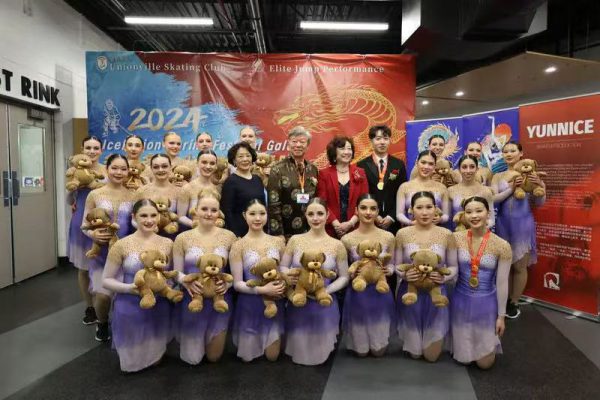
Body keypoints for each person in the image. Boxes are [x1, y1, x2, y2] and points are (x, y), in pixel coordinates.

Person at [102, 199, 174, 372]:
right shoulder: (122, 245)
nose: (149, 220)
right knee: (131, 365)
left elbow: (171, 273)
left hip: (158, 303)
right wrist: (129, 288)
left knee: (155, 362)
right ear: (134, 217)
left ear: (159, 216)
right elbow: (106, 279)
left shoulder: (168, 243)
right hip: (130, 302)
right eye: (144, 216)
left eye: (153, 215)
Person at [279, 197, 349, 365]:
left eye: (320, 213)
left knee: (321, 355)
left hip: (324, 303)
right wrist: (288, 275)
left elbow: (344, 276)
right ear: (305, 216)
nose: (315, 218)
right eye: (311, 214)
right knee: (300, 352)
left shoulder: (337, 245)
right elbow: (282, 266)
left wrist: (325, 291)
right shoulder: (295, 240)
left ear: (327, 215)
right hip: (299, 301)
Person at [173, 189, 237, 364]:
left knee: (214, 357)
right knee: (192, 359)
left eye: (213, 210)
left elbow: (235, 272)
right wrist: (185, 283)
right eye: (204, 209)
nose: (209, 214)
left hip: (220, 297)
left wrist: (228, 285)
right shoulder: (182, 238)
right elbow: (177, 272)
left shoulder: (229, 237)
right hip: (193, 297)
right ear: (196, 210)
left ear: (219, 213)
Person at [395, 191, 457, 361]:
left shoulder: (446, 234)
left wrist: (444, 278)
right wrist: (405, 275)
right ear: (411, 210)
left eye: (429, 207)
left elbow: (453, 266)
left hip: (436, 294)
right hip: (410, 292)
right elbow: (397, 265)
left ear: (436, 209)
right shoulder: (402, 234)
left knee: (431, 356)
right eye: (419, 207)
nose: (424, 212)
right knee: (415, 354)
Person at [451, 196, 511, 369]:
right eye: (469, 212)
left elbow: (502, 283)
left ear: (488, 213)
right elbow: (451, 270)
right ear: (464, 215)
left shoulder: (502, 245)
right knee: (463, 358)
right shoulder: (456, 238)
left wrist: (501, 316)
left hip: (486, 302)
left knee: (485, 364)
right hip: (461, 299)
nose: (474, 216)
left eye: (479, 211)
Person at [81, 154, 134, 342]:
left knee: (123, 294)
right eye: (115, 168)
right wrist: (93, 234)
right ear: (107, 169)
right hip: (101, 252)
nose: (119, 172)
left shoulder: (133, 194)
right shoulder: (95, 194)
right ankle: (102, 322)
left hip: (126, 253)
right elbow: (84, 224)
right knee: (103, 296)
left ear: (128, 171)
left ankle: (121, 325)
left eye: (123, 169)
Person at [492, 141, 545, 319]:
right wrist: (512, 188)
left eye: (512, 151)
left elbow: (539, 202)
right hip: (502, 224)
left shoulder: (531, 174)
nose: (508, 154)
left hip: (523, 225)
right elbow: (493, 200)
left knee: (520, 266)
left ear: (521, 153)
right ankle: (504, 299)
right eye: (505, 151)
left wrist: (541, 185)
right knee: (504, 266)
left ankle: (514, 302)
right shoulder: (497, 176)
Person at [230, 199, 286, 362]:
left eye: (262, 213)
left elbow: (283, 271)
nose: (257, 218)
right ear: (244, 215)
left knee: (272, 357)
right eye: (252, 214)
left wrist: (283, 283)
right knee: (248, 358)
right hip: (250, 301)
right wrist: (262, 290)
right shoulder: (238, 245)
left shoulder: (278, 242)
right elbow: (237, 283)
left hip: (274, 301)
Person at [340, 194, 396, 357]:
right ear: (356, 211)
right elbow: (344, 270)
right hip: (358, 293)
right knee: (361, 352)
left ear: (378, 212)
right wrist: (351, 272)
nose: (368, 212)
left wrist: (390, 270)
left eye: (373, 208)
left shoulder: (388, 237)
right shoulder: (346, 239)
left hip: (380, 291)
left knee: (378, 351)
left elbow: (393, 262)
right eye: (363, 208)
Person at [67, 136, 106, 325]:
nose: (92, 151)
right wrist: (73, 191)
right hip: (81, 221)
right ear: (82, 149)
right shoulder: (75, 171)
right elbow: (69, 200)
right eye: (88, 148)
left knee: (103, 266)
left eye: (95, 148)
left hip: (104, 223)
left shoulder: (107, 170)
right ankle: (90, 307)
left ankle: (103, 306)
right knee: (83, 268)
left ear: (101, 150)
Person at [267, 126, 319, 239]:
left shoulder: (313, 169)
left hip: (310, 229)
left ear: (307, 146)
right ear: (288, 144)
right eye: (294, 141)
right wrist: (278, 234)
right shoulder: (277, 169)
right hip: (286, 231)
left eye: (302, 142)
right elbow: (273, 204)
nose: (298, 145)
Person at [357, 125, 407, 234]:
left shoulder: (398, 164)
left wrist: (391, 216)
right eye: (378, 139)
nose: (382, 142)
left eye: (385, 138)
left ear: (390, 141)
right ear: (371, 141)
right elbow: (361, 194)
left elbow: (403, 193)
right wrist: (375, 215)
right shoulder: (361, 165)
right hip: (369, 219)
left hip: (393, 221)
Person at [316, 136, 368, 238]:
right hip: (330, 229)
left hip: (355, 228)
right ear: (334, 152)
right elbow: (322, 202)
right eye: (342, 148)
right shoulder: (324, 174)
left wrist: (350, 223)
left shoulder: (360, 172)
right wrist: (336, 224)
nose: (347, 152)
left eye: (349, 149)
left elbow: (364, 202)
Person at [221, 142, 265, 237]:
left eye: (248, 156)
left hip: (259, 230)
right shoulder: (230, 182)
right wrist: (235, 235)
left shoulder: (257, 179)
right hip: (240, 233)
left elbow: (263, 207)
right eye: (240, 156)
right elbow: (227, 212)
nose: (245, 159)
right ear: (234, 160)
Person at [396, 150, 450, 226]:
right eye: (423, 162)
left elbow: (446, 215)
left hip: (435, 229)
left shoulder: (442, 188)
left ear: (435, 166)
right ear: (417, 163)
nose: (426, 167)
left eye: (430, 164)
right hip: (411, 230)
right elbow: (399, 214)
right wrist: (410, 222)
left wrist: (440, 219)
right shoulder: (404, 187)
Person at [135, 154, 183, 239]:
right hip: (146, 237)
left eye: (164, 166)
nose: (160, 170)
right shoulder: (142, 191)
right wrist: (146, 228)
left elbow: (180, 219)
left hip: (171, 237)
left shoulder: (179, 192)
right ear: (151, 168)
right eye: (156, 167)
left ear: (170, 167)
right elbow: (134, 219)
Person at [448, 155, 494, 231]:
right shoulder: (450, 190)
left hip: (480, 234)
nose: (468, 171)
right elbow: (449, 219)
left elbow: (491, 219)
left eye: (472, 167)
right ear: (459, 169)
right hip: (457, 233)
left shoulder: (485, 191)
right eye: (464, 167)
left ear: (477, 169)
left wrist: (477, 230)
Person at [177, 150, 220, 229]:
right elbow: (181, 217)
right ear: (197, 163)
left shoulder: (217, 189)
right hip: (192, 232)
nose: (208, 166)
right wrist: (197, 225)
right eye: (204, 162)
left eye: (212, 163)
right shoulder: (187, 188)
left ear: (216, 166)